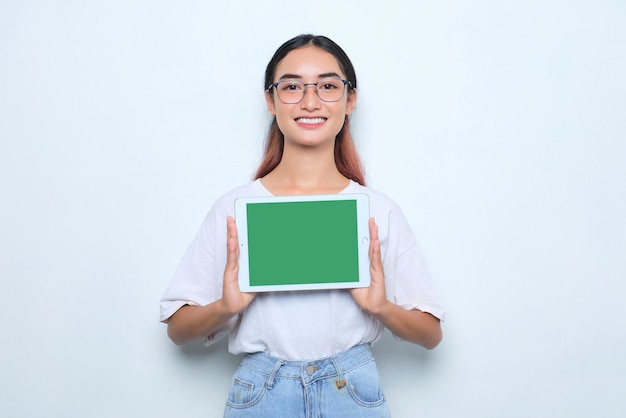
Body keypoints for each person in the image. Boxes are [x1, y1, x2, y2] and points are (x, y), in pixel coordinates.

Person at [160, 34, 445, 418]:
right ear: (270, 101)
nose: (310, 101)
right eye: (292, 86)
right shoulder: (234, 209)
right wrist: (225, 307)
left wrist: (381, 308)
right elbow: (177, 330)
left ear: (350, 100)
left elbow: (431, 335)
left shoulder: (378, 210)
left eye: (328, 86)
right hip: (262, 392)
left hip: (352, 389)